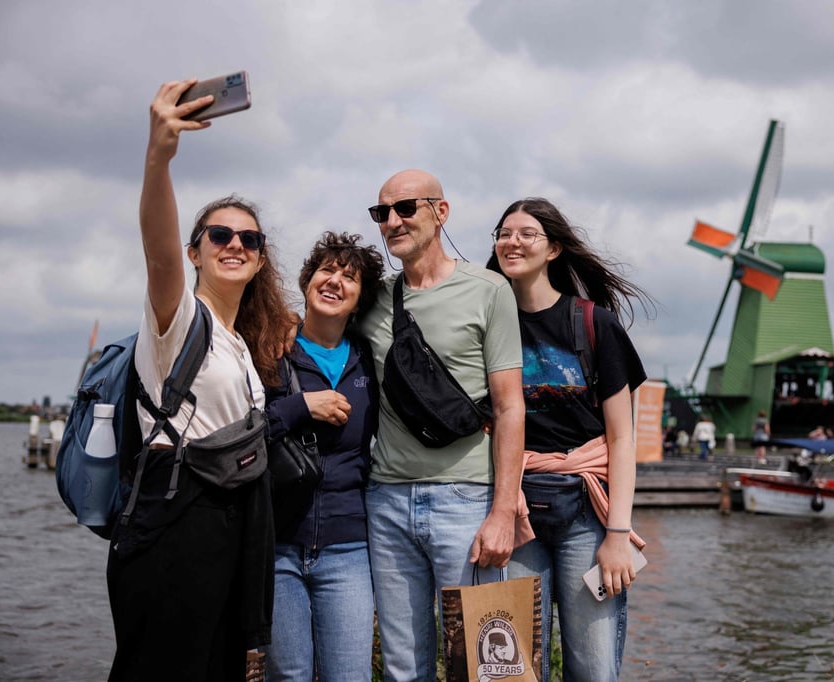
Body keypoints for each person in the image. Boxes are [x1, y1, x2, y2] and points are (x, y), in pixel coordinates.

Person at [107, 79, 292, 681]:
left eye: (249, 239)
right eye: (219, 235)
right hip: (175, 523)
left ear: (261, 258)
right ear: (196, 252)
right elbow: (157, 253)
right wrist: (158, 156)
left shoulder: (241, 344)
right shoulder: (180, 319)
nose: (235, 244)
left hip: (230, 529)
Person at [358, 170, 526, 681]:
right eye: (381, 212)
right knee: (403, 668)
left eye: (406, 207)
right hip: (387, 501)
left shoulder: (489, 290)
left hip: (467, 500)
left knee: (484, 664)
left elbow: (510, 406)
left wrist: (502, 511)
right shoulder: (373, 300)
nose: (392, 221)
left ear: (441, 212)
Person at [487, 197, 650, 681]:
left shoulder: (594, 323)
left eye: (526, 233)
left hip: (584, 512)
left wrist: (617, 536)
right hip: (514, 513)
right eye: (504, 233)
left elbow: (622, 439)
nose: (512, 241)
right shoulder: (485, 321)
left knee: (592, 669)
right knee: (510, 670)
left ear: (554, 248)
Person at [263, 232, 384, 681]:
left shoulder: (372, 361)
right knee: (290, 676)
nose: (334, 281)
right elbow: (243, 430)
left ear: (360, 298)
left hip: (348, 547)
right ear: (308, 281)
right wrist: (301, 406)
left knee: (348, 676)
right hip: (277, 546)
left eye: (349, 277)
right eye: (326, 270)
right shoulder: (271, 351)